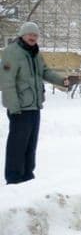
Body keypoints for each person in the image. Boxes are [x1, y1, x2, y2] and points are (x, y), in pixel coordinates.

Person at [1, 22, 68, 184]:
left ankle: (27, 176)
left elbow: (45, 72)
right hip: (19, 108)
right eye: (30, 34)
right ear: (22, 35)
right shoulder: (11, 52)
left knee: (31, 144)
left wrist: (61, 80)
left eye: (36, 35)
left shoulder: (35, 53)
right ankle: (14, 178)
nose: (33, 37)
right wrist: (13, 106)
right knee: (17, 145)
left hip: (34, 106)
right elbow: (6, 81)